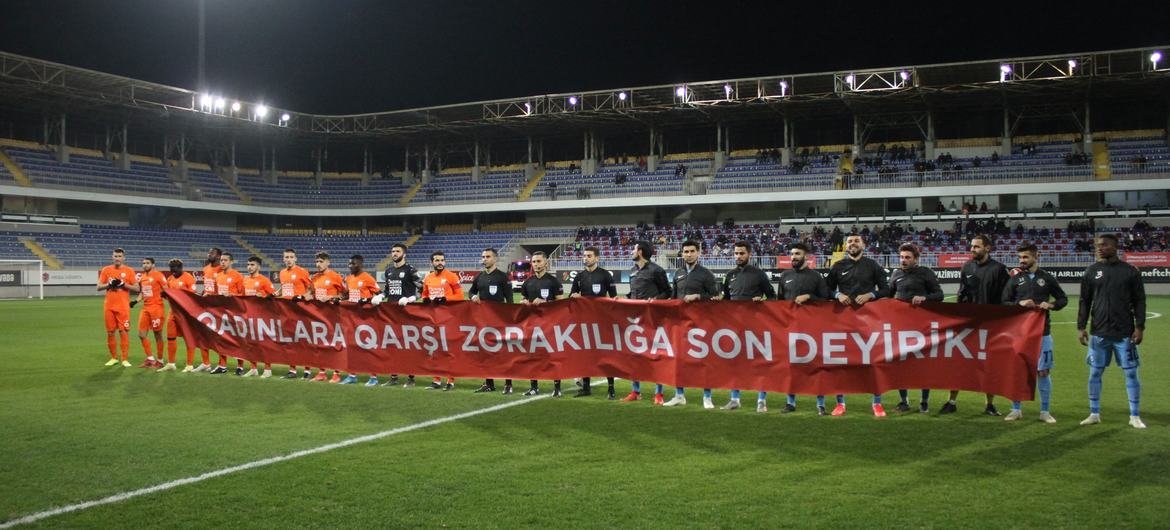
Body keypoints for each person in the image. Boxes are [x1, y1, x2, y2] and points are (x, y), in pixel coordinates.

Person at [1077, 234, 1147, 429]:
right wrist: (1081, 327)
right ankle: (1094, 413)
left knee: (1131, 373)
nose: (1100, 248)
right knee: (1095, 373)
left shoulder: (1130, 271)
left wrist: (1140, 326)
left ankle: (1134, 416)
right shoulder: (1091, 271)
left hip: (1124, 333)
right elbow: (1084, 301)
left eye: (1105, 245)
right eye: (1098, 245)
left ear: (1116, 247)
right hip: (1099, 333)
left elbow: (1140, 300)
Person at [942, 235, 1011, 416]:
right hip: (968, 325)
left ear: (987, 248)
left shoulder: (999, 269)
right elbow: (962, 293)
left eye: (977, 247)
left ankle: (989, 404)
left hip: (991, 326)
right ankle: (951, 401)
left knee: (989, 365)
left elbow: (1006, 299)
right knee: (959, 363)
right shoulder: (967, 267)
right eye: (971, 246)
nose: (972, 249)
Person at [825, 234, 889, 417]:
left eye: (856, 241)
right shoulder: (838, 266)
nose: (852, 244)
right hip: (842, 322)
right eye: (850, 241)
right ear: (845, 246)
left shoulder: (873, 265)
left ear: (864, 245)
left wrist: (871, 295)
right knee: (840, 363)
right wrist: (837, 295)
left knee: (873, 362)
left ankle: (877, 403)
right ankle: (840, 404)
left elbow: (886, 289)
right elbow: (825, 290)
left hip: (868, 323)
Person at [1002, 244, 1067, 423]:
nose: (1021, 261)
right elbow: (1004, 302)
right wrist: (1019, 304)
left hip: (1042, 332)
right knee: (1018, 371)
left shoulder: (1047, 278)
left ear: (1035, 257)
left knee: (1043, 372)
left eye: (1025, 257)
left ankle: (1044, 411)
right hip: (1020, 333)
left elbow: (1063, 299)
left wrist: (1051, 305)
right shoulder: (1015, 279)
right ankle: (1016, 409)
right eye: (1020, 258)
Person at [881, 243, 944, 413]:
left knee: (923, 365)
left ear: (916, 259)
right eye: (901, 257)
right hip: (900, 326)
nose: (903, 260)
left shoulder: (926, 273)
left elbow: (939, 295)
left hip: (921, 326)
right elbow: (888, 296)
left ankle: (924, 401)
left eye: (907, 257)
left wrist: (924, 298)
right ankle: (904, 401)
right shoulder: (895, 274)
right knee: (901, 364)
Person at [721, 241, 777, 412]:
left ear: (749, 254)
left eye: (742, 253)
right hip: (735, 327)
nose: (738, 256)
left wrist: (762, 301)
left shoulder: (759, 274)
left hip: (756, 326)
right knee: (735, 364)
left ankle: (761, 401)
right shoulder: (729, 275)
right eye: (736, 253)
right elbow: (726, 300)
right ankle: (735, 399)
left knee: (759, 364)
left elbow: (772, 297)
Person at [778, 244, 832, 415]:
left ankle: (820, 404)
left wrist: (809, 296)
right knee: (791, 367)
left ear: (806, 257)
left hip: (812, 328)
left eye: (797, 254)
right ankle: (790, 402)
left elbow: (825, 299)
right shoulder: (785, 276)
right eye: (792, 254)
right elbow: (779, 302)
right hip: (791, 328)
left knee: (816, 366)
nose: (793, 257)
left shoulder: (816, 277)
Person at [667, 240, 720, 408]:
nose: (688, 254)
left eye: (692, 251)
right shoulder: (677, 273)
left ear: (698, 253)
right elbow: (674, 297)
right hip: (680, 323)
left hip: (701, 323)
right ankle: (679, 395)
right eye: (686, 251)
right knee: (679, 360)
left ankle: (707, 397)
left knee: (704, 360)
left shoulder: (706, 274)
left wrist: (698, 297)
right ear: (682, 254)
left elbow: (717, 298)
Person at [621, 240, 671, 403]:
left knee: (656, 355)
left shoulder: (657, 270)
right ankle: (636, 391)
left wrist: (655, 300)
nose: (631, 252)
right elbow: (632, 294)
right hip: (635, 321)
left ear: (640, 251)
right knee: (634, 355)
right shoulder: (632, 271)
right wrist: (623, 299)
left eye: (634, 249)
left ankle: (659, 393)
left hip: (653, 319)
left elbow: (668, 292)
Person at [569, 246, 618, 399]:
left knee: (605, 354)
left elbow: (613, 298)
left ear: (597, 258)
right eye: (584, 256)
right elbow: (571, 295)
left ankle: (611, 388)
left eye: (589, 256)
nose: (586, 258)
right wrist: (574, 295)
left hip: (602, 321)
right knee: (586, 354)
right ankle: (586, 387)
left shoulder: (605, 275)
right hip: (584, 321)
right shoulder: (579, 276)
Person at [469, 248, 515, 394]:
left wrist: (510, 319)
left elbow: (510, 299)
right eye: (483, 257)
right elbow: (471, 291)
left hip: (500, 320)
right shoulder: (479, 277)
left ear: (495, 259)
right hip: (484, 321)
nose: (485, 259)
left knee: (504, 352)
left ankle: (508, 383)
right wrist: (472, 297)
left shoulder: (503, 277)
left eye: (488, 257)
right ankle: (489, 383)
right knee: (486, 352)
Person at [519, 252, 564, 396]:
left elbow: (561, 304)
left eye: (539, 261)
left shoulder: (553, 281)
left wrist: (546, 303)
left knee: (552, 356)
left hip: (550, 324)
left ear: (546, 263)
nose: (536, 264)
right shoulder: (528, 282)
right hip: (532, 324)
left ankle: (557, 388)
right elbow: (522, 300)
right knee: (532, 356)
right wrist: (524, 303)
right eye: (534, 261)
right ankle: (534, 387)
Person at [382, 243, 423, 387]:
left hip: (407, 313)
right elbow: (387, 290)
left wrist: (411, 298)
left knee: (408, 346)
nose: (394, 253)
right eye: (393, 251)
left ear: (404, 254)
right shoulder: (388, 271)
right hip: (391, 314)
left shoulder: (411, 270)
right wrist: (381, 296)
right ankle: (393, 377)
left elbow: (421, 289)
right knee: (392, 346)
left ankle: (411, 377)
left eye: (397, 251)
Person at [421, 250, 463, 390]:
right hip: (434, 318)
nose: (440, 263)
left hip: (450, 318)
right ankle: (436, 380)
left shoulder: (452, 276)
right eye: (437, 260)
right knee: (435, 350)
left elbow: (460, 296)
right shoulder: (428, 278)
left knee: (449, 350)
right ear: (432, 262)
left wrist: (446, 299)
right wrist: (425, 300)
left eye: (442, 260)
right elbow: (425, 294)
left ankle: (450, 380)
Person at [340, 255, 381, 385]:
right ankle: (352, 375)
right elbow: (348, 295)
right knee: (352, 347)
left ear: (360, 264)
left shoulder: (368, 278)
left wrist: (368, 300)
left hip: (366, 318)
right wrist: (342, 297)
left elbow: (380, 294)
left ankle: (373, 377)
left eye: (353, 263)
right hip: (351, 318)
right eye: (349, 264)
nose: (350, 266)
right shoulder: (349, 278)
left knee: (368, 347)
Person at [98, 248, 140, 367]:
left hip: (123, 306)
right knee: (110, 332)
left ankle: (125, 359)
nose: (117, 258)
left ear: (123, 258)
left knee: (123, 331)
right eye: (115, 256)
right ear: (112, 257)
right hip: (109, 306)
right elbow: (98, 287)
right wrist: (109, 285)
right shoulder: (106, 270)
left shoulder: (129, 271)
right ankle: (113, 358)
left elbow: (137, 289)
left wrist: (123, 284)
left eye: (119, 256)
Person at [277, 249, 314, 379]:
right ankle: (292, 370)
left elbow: (311, 290)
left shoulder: (302, 272)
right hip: (286, 313)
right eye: (286, 257)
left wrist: (302, 297)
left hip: (301, 312)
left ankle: (307, 370)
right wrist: (276, 294)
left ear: (295, 258)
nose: (288, 259)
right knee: (290, 342)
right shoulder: (282, 273)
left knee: (303, 341)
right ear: (283, 259)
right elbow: (284, 288)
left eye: (291, 257)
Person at [309, 252, 345, 383]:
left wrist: (330, 297)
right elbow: (311, 294)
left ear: (328, 262)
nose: (318, 264)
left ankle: (336, 373)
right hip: (318, 315)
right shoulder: (314, 278)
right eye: (317, 261)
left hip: (333, 316)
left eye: (321, 261)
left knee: (335, 344)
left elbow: (345, 294)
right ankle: (322, 372)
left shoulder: (336, 276)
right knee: (320, 344)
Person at [242, 256, 277, 377]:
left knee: (264, 343)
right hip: (248, 315)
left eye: (252, 265)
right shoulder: (245, 280)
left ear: (258, 266)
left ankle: (268, 369)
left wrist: (263, 297)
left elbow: (273, 297)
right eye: (248, 264)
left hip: (262, 316)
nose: (249, 267)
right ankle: (253, 368)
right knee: (250, 343)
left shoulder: (264, 280)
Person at [211, 252, 245, 375]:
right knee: (220, 338)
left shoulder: (238, 276)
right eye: (221, 260)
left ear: (231, 262)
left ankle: (240, 366)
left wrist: (232, 295)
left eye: (225, 260)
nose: (223, 262)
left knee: (237, 339)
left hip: (234, 312)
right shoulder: (218, 276)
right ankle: (222, 365)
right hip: (221, 312)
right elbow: (215, 294)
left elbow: (243, 295)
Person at [164, 259, 198, 372]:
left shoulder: (188, 278)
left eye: (175, 269)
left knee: (188, 338)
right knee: (170, 338)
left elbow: (192, 296)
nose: (173, 271)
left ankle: (189, 365)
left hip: (185, 314)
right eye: (171, 269)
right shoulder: (170, 279)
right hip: (173, 313)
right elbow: (169, 296)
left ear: (181, 268)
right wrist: (164, 294)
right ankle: (171, 363)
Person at [193, 247, 222, 372]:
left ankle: (222, 364)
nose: (209, 254)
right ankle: (206, 363)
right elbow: (207, 287)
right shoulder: (205, 269)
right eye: (209, 252)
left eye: (212, 253)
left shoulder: (222, 269)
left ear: (219, 256)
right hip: (206, 307)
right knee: (202, 335)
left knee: (220, 337)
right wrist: (201, 295)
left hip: (219, 308)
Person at [135, 257, 168, 370]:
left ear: (153, 264)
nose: (145, 265)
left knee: (157, 334)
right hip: (145, 308)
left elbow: (167, 290)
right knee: (141, 334)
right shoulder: (142, 277)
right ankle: (150, 358)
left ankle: (160, 360)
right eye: (143, 263)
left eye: (147, 263)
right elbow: (142, 293)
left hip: (157, 308)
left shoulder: (159, 275)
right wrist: (135, 301)